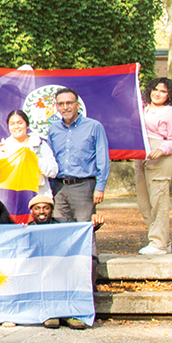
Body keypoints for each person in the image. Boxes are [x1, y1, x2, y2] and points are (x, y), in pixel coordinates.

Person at [48, 87, 108, 270]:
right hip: (58, 187)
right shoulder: (53, 129)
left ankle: (90, 277)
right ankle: (65, 274)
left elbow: (103, 158)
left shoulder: (93, 126)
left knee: (85, 231)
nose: (65, 107)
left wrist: (100, 186)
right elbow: (49, 159)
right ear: (56, 107)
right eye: (61, 104)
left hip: (83, 186)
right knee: (60, 231)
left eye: (69, 103)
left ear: (77, 105)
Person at [26, 193, 98, 330]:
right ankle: (50, 313)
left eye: (46, 208)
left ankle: (72, 313)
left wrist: (96, 225)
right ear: (32, 211)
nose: (41, 212)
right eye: (37, 208)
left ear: (51, 210)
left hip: (63, 266)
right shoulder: (27, 229)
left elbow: (81, 233)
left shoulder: (64, 224)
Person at [136, 78, 172, 255]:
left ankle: (158, 243)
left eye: (163, 91)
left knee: (159, 198)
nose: (158, 94)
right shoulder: (143, 107)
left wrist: (163, 150)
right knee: (144, 200)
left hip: (159, 154)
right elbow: (118, 94)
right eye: (155, 89)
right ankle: (161, 237)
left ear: (169, 95)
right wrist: (133, 78)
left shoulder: (169, 112)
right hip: (140, 153)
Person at [0, 109, 58, 196]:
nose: (16, 127)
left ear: (27, 125)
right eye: (12, 124)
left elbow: (54, 171)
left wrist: (35, 160)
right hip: (11, 197)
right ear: (8, 127)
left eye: (20, 123)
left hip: (38, 197)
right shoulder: (2, 147)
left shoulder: (39, 144)